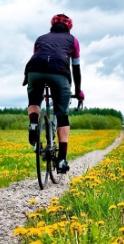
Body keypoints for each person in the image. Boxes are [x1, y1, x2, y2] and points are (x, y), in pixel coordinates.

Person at [23, 13, 84, 173]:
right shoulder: (73, 41)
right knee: (62, 114)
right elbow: (76, 69)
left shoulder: (40, 39)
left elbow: (37, 56)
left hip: (34, 69)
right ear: (69, 27)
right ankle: (62, 160)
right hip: (59, 72)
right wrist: (78, 92)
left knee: (34, 101)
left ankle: (34, 123)